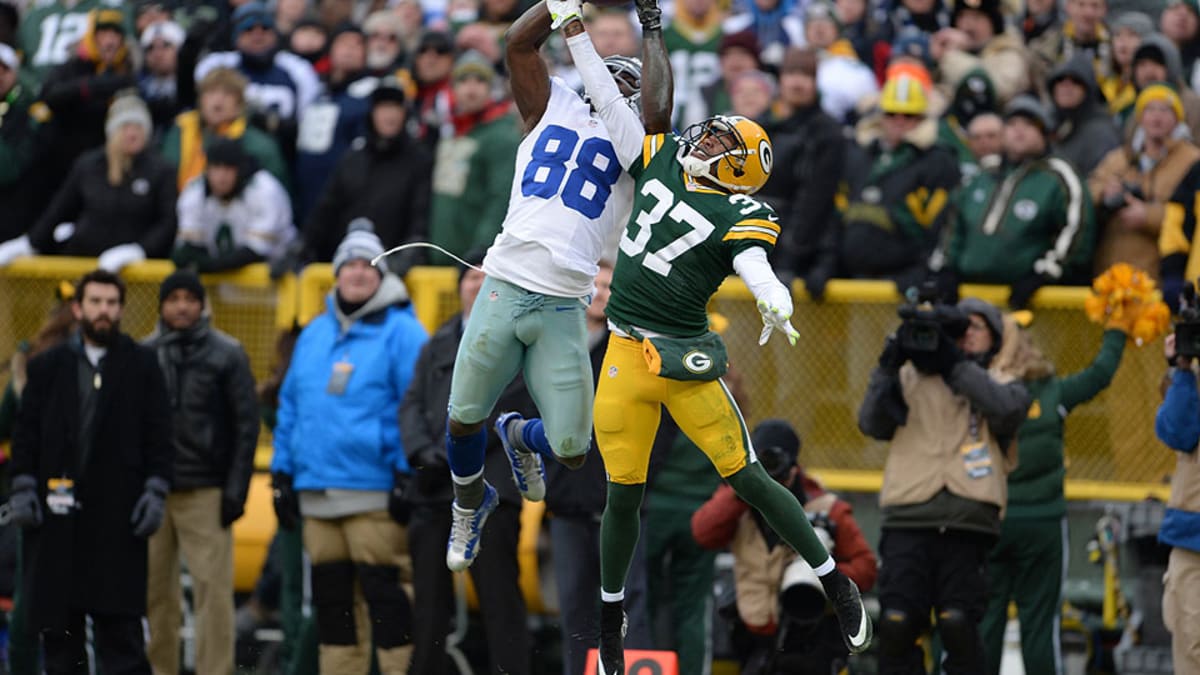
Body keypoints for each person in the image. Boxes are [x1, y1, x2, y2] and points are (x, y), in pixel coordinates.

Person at [545, 0, 874, 671]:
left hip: (685, 357)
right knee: (622, 493)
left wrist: (773, 293)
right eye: (715, 132)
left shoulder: (743, 210)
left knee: (748, 476)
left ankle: (832, 577)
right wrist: (624, 30)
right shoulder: (659, 154)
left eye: (724, 145)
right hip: (628, 351)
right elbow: (625, 99)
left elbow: (754, 263)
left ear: (739, 171)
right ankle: (612, 616)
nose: (708, 139)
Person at [439, 0, 650, 574]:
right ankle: (468, 500)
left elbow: (658, 110)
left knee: (573, 449)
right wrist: (563, 5)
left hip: (565, 303)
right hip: (507, 280)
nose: (622, 84)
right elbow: (516, 43)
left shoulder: (640, 149)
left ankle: (518, 433)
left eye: (633, 82)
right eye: (614, 75)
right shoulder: (551, 102)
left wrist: (651, 29)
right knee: (462, 414)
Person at [269, 222, 426, 673]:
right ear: (336, 273)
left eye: (368, 265)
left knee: (389, 601)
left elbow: (413, 407)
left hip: (374, 492)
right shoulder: (315, 333)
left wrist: (403, 472)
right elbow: (292, 405)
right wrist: (282, 473)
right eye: (350, 264)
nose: (358, 273)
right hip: (317, 492)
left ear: (382, 275)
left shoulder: (403, 331)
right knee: (335, 611)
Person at [7, 269, 173, 674]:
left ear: (122, 309)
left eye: (113, 303)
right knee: (62, 643)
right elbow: (25, 433)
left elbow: (160, 434)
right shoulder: (47, 367)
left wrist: (156, 490)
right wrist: (24, 486)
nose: (105, 311)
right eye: (96, 302)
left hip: (118, 520)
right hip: (58, 521)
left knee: (123, 641)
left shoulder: (143, 365)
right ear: (78, 308)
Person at [858, 297, 1030, 674]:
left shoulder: (1002, 381)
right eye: (957, 328)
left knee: (957, 622)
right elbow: (871, 424)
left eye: (975, 327)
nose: (965, 335)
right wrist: (888, 365)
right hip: (908, 515)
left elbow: (1007, 411)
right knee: (897, 623)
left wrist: (953, 364)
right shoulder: (907, 377)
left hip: (968, 519)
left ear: (996, 338)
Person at [399, 255, 533, 674]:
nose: (477, 284)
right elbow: (411, 404)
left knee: (500, 605)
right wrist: (425, 452)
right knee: (428, 611)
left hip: (490, 494)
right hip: (434, 490)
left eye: (487, 277)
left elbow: (511, 408)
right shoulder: (436, 342)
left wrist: (453, 452)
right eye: (471, 277)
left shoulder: (519, 343)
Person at [980, 314, 1128, 674]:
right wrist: (1119, 328)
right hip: (1041, 523)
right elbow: (1100, 372)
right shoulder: (1053, 391)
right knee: (1040, 626)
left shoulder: (978, 390)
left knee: (983, 624)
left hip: (988, 520)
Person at [692, 419, 878, 675]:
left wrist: (818, 575)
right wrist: (743, 485)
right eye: (762, 465)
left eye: (775, 465)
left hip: (811, 638)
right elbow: (702, 533)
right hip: (754, 641)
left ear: (794, 468)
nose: (770, 474)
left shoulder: (825, 508)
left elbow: (866, 568)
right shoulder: (739, 506)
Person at [143, 270, 258, 675]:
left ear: (202, 304)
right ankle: (161, 669)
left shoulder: (227, 353)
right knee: (156, 595)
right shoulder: (144, 352)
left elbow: (247, 425)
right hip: (154, 492)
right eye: (172, 298)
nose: (181, 305)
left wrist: (235, 490)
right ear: (161, 305)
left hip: (207, 490)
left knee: (213, 594)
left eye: (189, 298)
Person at [931, 96, 1096, 308]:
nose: (1019, 130)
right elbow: (953, 223)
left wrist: (1043, 273)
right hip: (969, 294)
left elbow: (1076, 229)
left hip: (1030, 300)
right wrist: (945, 268)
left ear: (1044, 134)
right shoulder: (981, 173)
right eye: (1012, 124)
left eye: (1029, 124)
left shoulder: (1058, 176)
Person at [0, 93, 178, 271]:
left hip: (136, 272)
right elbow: (59, 210)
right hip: (84, 260)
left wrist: (140, 250)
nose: (132, 133)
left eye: (138, 126)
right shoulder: (89, 165)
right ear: (112, 131)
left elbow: (168, 221)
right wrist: (30, 242)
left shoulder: (161, 170)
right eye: (125, 126)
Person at [830, 72, 961, 291]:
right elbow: (837, 212)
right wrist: (828, 263)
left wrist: (923, 271)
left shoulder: (938, 161)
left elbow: (944, 223)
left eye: (908, 115)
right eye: (892, 114)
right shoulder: (860, 154)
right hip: (850, 280)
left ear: (922, 118)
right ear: (881, 116)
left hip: (901, 283)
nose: (899, 121)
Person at [302, 76, 433, 273]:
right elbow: (327, 208)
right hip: (346, 265)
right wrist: (303, 245)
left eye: (395, 108)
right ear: (372, 113)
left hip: (392, 269)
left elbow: (420, 215)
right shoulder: (353, 157)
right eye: (383, 108)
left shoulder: (418, 159)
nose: (389, 115)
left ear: (404, 114)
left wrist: (411, 249)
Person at [757, 46, 844, 298]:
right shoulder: (766, 125)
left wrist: (791, 257)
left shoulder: (828, 133)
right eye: (792, 74)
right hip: (762, 246)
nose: (797, 83)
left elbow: (816, 201)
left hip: (804, 259)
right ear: (781, 79)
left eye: (806, 75)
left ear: (815, 82)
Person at [1089, 82, 1200, 279]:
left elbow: (1191, 218)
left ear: (1178, 118)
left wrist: (1148, 216)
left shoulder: (1191, 160)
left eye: (1165, 110)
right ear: (1140, 117)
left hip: (1157, 276)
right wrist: (1105, 193)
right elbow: (1088, 191)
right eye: (1150, 109)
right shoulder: (1119, 158)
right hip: (1110, 272)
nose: (1157, 116)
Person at [428, 51, 521, 262]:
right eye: (464, 80)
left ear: (491, 88)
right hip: (441, 254)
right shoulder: (451, 131)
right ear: (453, 89)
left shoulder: (501, 135)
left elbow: (501, 197)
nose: (471, 88)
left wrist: (482, 247)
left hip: (473, 259)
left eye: (480, 80)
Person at [173, 138, 297, 274]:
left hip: (270, 283)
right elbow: (187, 249)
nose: (221, 176)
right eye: (216, 167)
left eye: (228, 168)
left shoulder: (264, 190)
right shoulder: (195, 190)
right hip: (221, 284)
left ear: (240, 169)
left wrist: (209, 265)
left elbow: (256, 251)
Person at [161, 66, 290, 192]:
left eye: (227, 93)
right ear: (200, 100)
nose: (218, 100)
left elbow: (278, 195)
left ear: (239, 103)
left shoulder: (259, 146)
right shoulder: (180, 131)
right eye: (211, 92)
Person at [1153, 326, 1200, 673]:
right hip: (1192, 536)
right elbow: (1176, 432)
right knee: (1189, 646)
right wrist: (1181, 368)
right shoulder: (1190, 381)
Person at [1048, 52, 1122, 175]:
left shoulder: (1101, 133)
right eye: (1060, 79)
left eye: (1076, 81)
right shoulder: (1049, 126)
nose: (1066, 86)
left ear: (1088, 89)